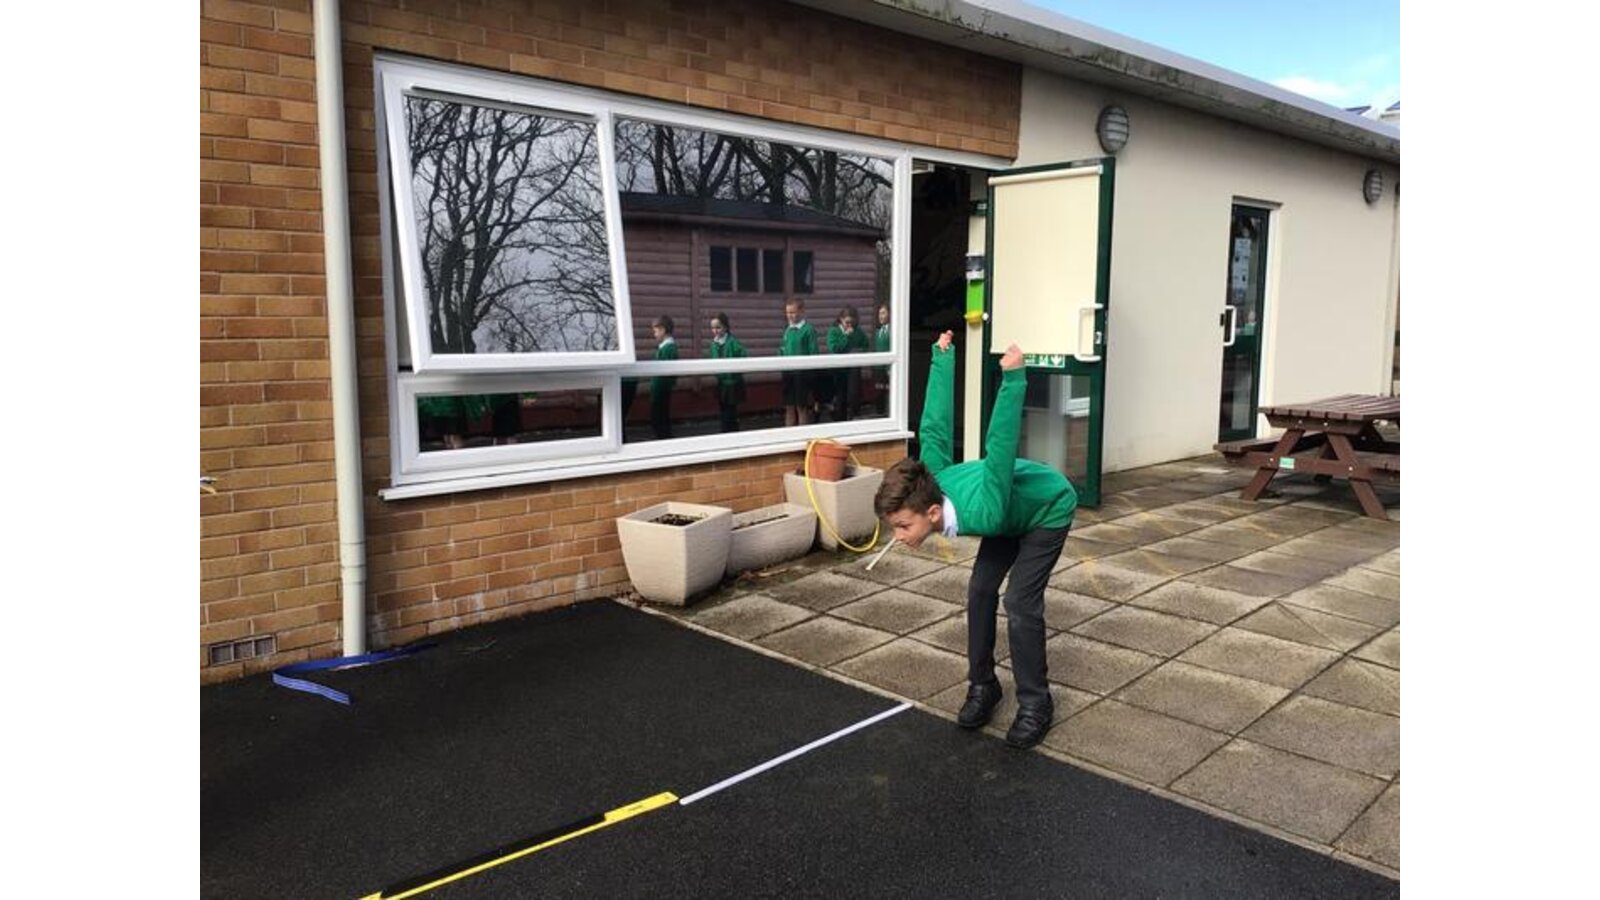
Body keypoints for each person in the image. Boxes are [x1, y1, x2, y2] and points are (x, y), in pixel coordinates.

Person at [873, 330, 1077, 750]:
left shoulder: (983, 510)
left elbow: (1000, 447)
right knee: (981, 590)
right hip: (1008, 514)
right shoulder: (932, 481)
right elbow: (933, 429)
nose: (899, 536)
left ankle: (1036, 703)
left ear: (932, 514)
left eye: (903, 526)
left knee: (1019, 602)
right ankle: (983, 686)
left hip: (1047, 508)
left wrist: (1014, 379)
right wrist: (942, 359)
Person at [705, 312, 748, 432]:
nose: (715, 331)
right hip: (721, 383)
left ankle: (730, 433)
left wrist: (735, 373)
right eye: (713, 328)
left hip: (733, 383)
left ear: (725, 327)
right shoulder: (713, 344)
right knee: (723, 410)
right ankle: (725, 432)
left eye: (718, 327)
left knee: (731, 413)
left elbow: (743, 356)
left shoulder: (733, 342)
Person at [778, 297, 818, 427]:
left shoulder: (808, 330)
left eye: (793, 312)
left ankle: (803, 434)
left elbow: (813, 352)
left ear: (801, 311)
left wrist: (811, 372)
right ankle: (788, 434)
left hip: (802, 374)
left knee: (801, 407)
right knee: (789, 406)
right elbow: (782, 349)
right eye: (787, 312)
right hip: (788, 373)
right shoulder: (788, 330)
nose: (790, 316)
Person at [826, 305, 869, 421]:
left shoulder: (857, 331)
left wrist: (859, 351)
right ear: (841, 319)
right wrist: (846, 336)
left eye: (852, 323)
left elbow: (865, 344)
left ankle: (853, 418)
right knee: (840, 396)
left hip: (853, 368)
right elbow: (834, 348)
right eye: (847, 322)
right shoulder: (834, 331)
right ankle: (840, 420)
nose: (850, 325)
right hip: (838, 369)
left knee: (854, 395)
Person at [649, 315, 678, 439]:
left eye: (656, 331)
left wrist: (656, 388)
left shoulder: (668, 349)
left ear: (663, 330)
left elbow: (665, 373)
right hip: (660, 388)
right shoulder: (664, 347)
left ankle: (664, 439)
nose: (654, 334)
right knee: (660, 417)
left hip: (661, 389)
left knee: (659, 418)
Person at [872, 302, 891, 415]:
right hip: (878, 368)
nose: (880, 316)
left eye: (883, 313)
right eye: (879, 314)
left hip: (888, 368)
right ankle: (880, 414)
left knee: (889, 391)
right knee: (879, 392)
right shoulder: (878, 332)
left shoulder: (892, 331)